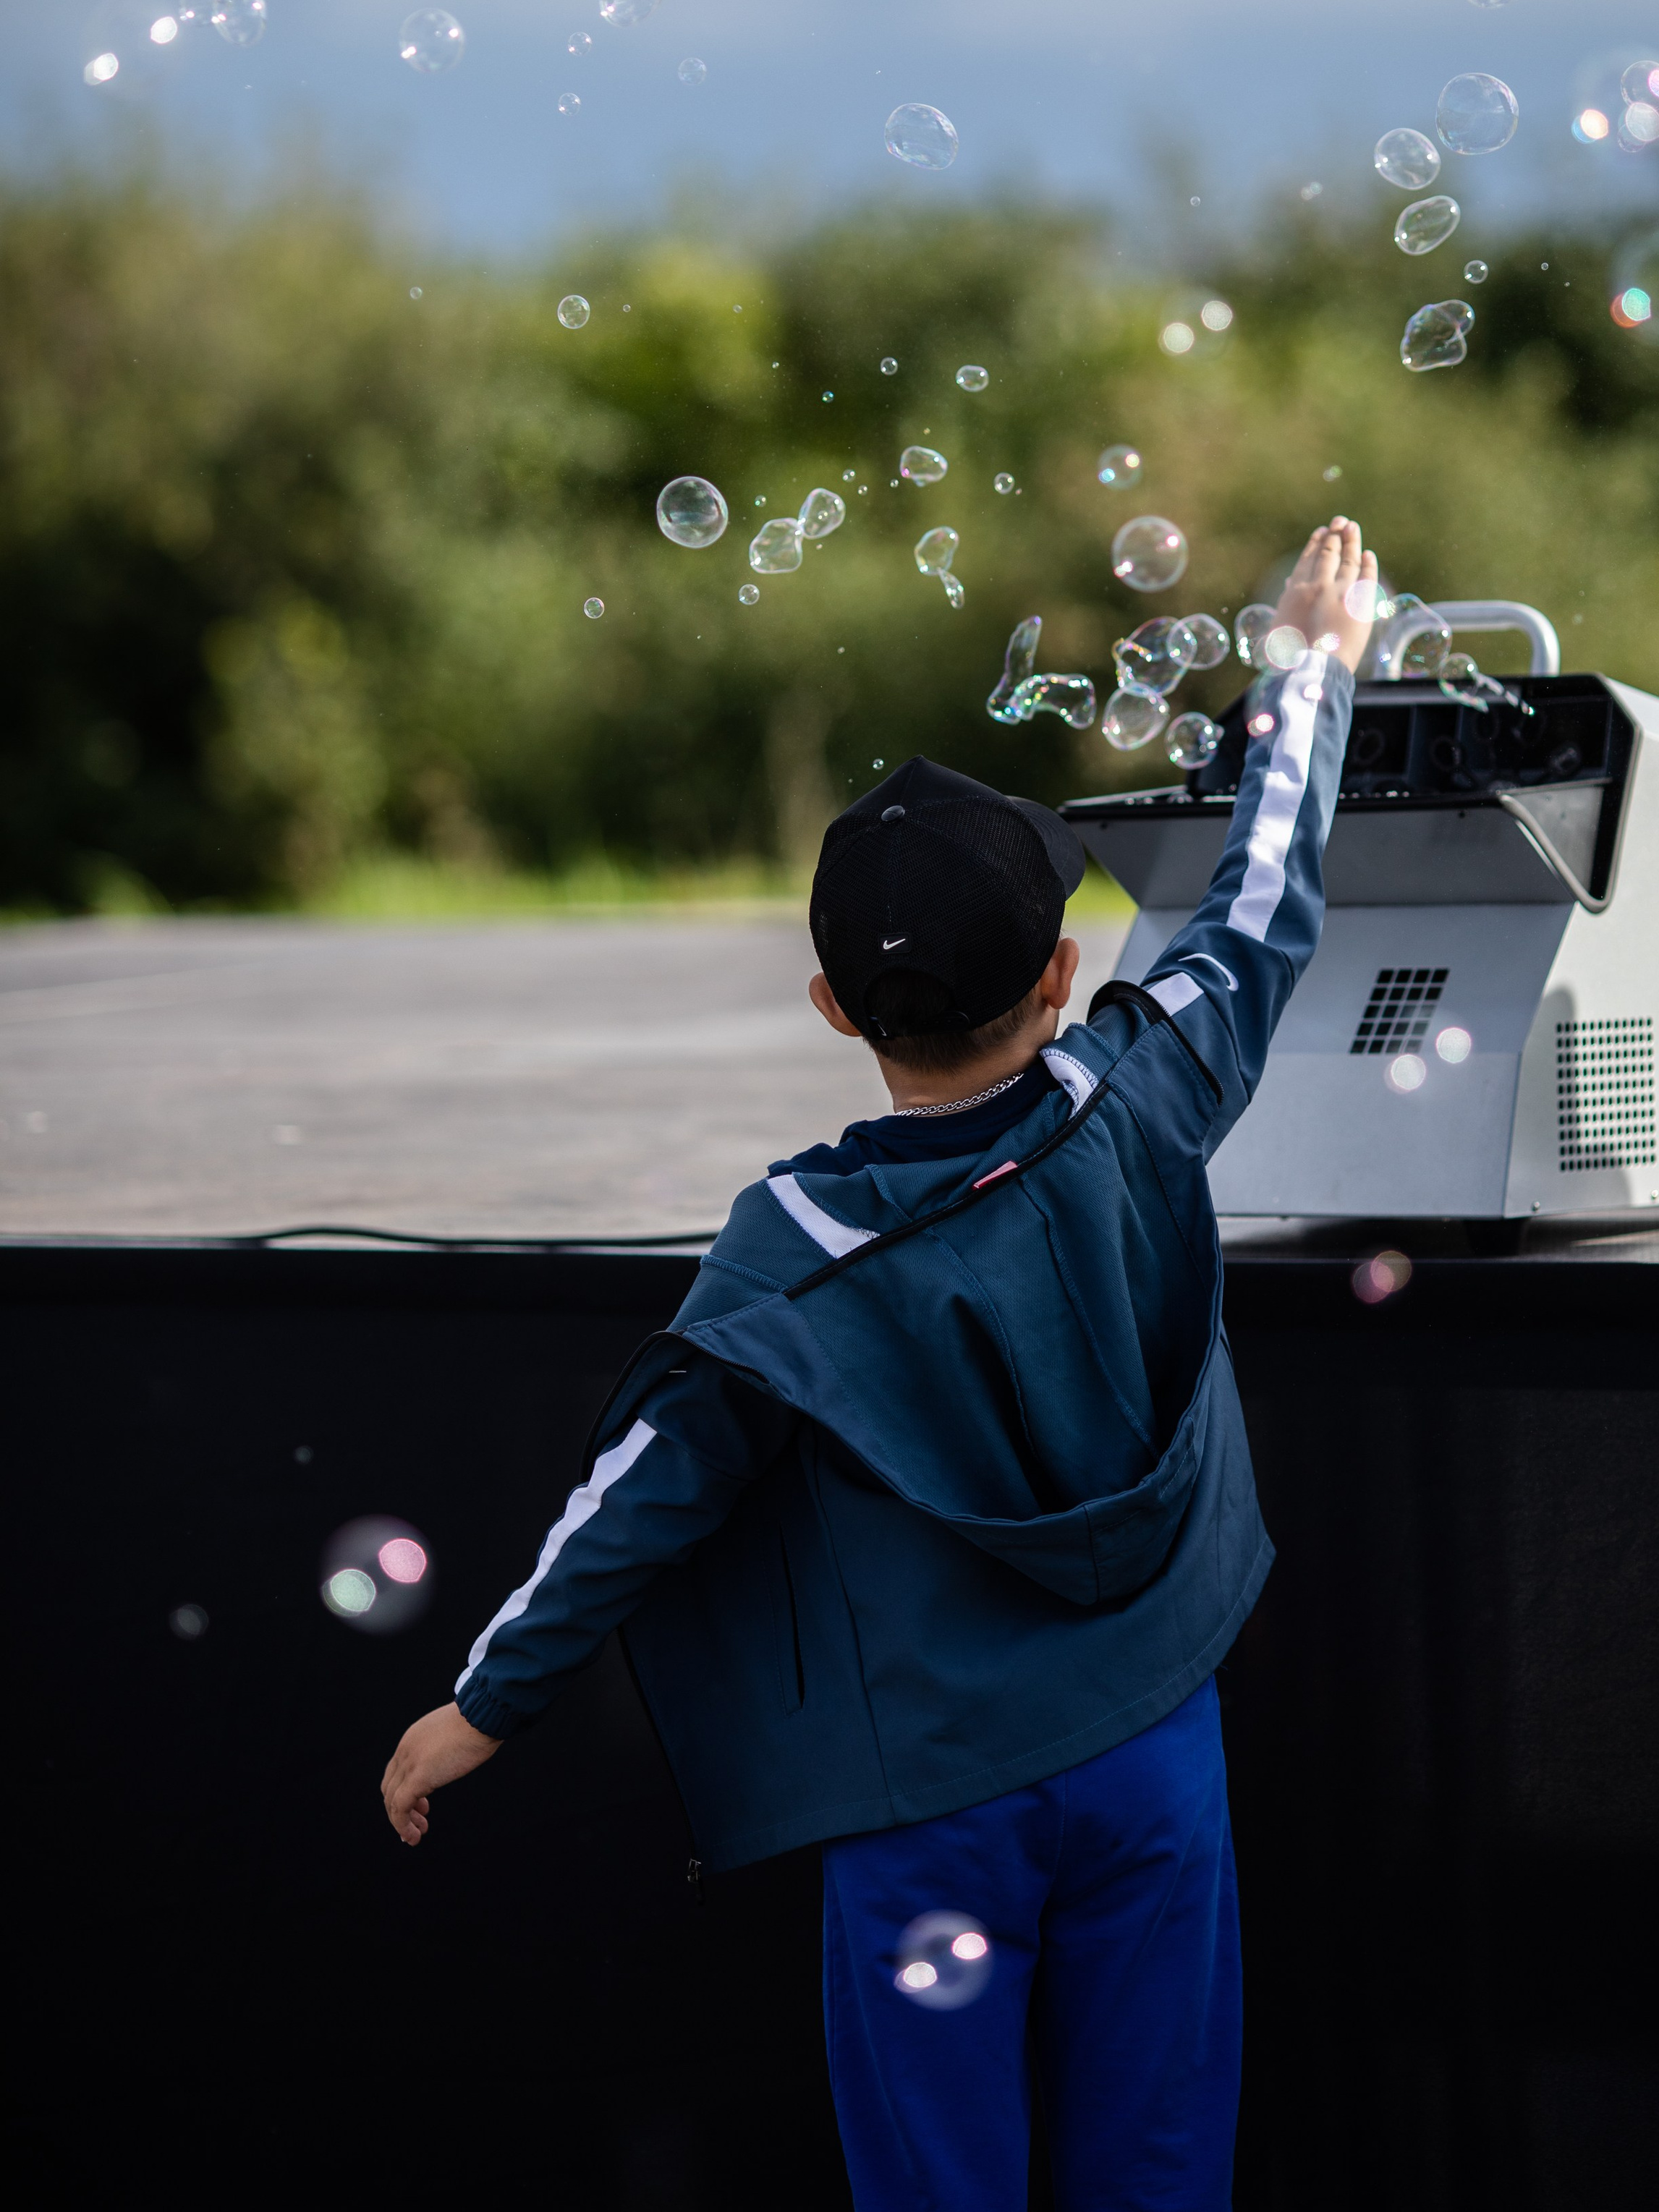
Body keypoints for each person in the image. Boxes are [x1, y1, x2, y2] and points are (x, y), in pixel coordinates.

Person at [382, 516, 1379, 2210]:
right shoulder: (1140, 1093)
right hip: (1153, 1750)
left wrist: (481, 1704)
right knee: (1158, 2165)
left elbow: (635, 1503)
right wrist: (1311, 671)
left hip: (926, 1798)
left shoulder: (791, 1246)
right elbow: (1260, 899)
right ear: (1064, 975)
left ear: (835, 1009)